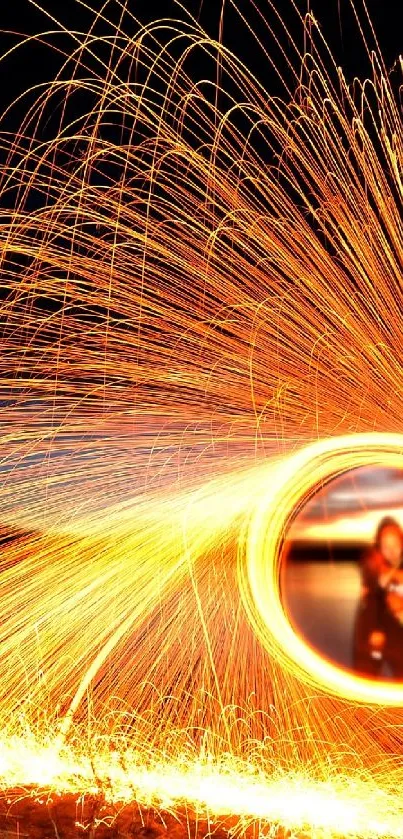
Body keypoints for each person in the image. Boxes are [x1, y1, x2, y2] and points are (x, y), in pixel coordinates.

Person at [353, 516, 403, 679]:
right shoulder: (375, 569)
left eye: (395, 544)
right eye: (385, 546)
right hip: (377, 636)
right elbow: (368, 568)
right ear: (379, 548)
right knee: (368, 662)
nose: (391, 550)